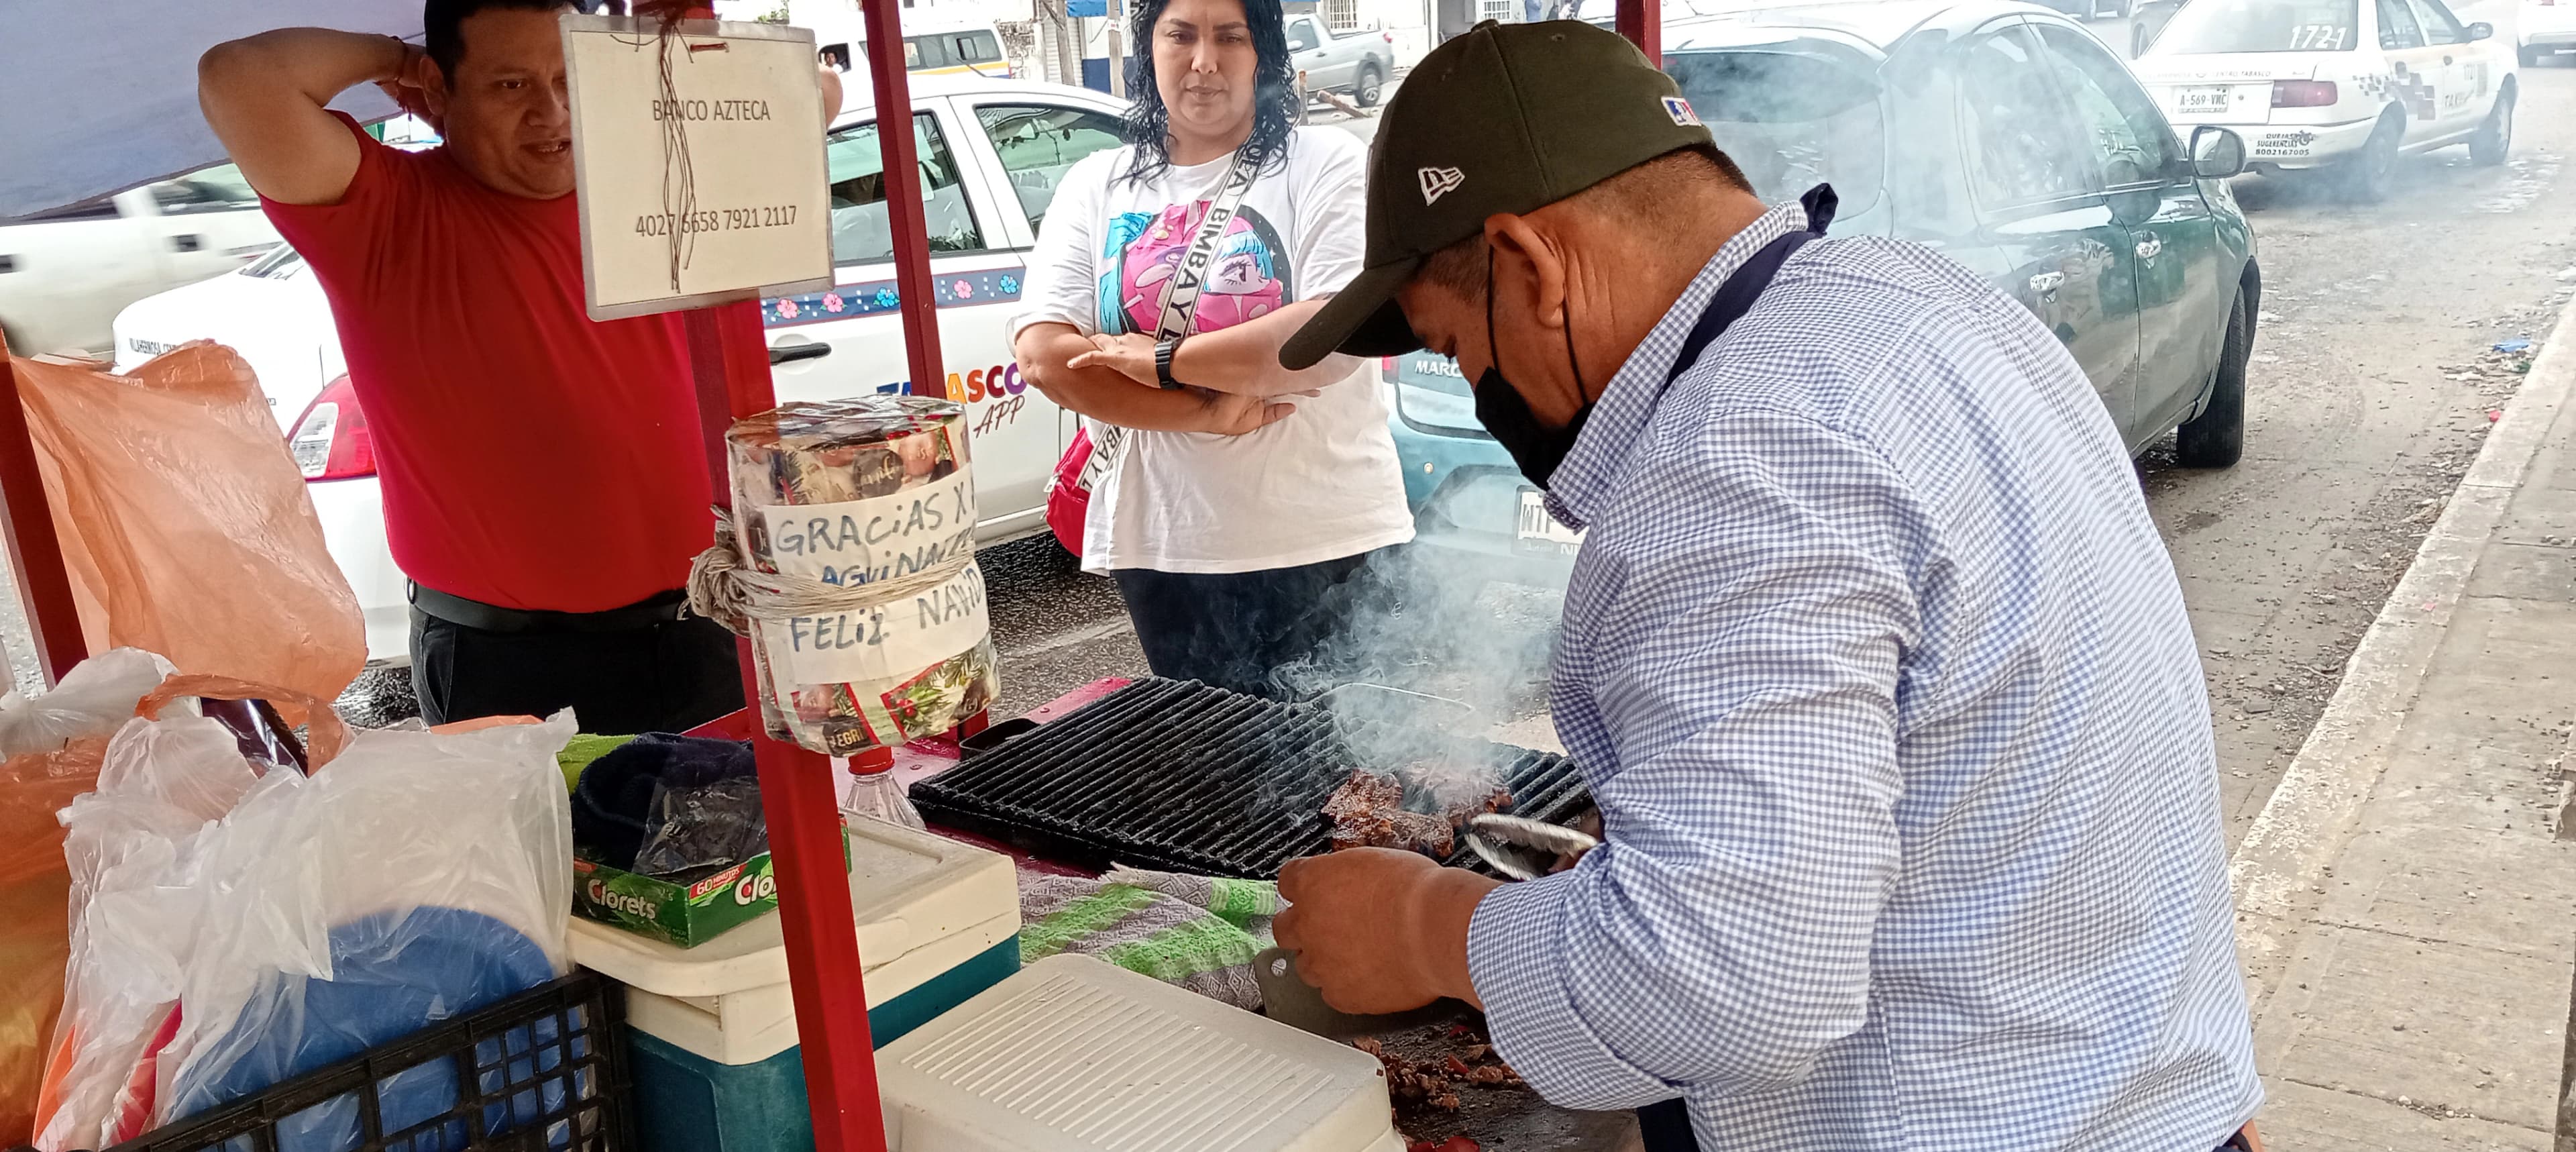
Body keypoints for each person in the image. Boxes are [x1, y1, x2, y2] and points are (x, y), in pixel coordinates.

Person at [1271, 21, 2263, 1152]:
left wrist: (1426, 924)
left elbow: (1737, 977)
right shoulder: (1928, 304)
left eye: (1458, 350)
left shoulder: (1730, 459)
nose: (1483, 394)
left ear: (1531, 266)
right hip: (2153, 1104)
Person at [198, 0, 839, 734]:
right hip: (506, 664)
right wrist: (394, 58)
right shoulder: (385, 211)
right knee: (537, 855)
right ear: (441, 90)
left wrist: (634, 72)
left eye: (571, 79)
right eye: (512, 85)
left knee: (746, 849)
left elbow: (814, 92)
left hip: (708, 623)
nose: (552, 113)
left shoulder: (653, 182)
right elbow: (236, 79)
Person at [1010, 0, 1413, 698]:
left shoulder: (1327, 163)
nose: (1204, 61)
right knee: (1216, 779)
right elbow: (1047, 356)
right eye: (1180, 35)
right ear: (1149, 47)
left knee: (1348, 782)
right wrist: (1204, 413)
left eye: (1230, 37)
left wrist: (1157, 362)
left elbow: (1328, 337)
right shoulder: (1096, 183)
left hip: (1323, 536)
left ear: (1265, 54)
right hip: (1165, 542)